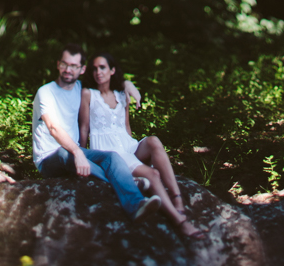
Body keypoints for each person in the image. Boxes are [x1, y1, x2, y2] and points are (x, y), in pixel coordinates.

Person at [31, 43, 160, 221]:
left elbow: (108, 81)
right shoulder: (45, 92)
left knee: (112, 157)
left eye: (74, 66)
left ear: (82, 69)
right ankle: (128, 183)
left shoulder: (81, 89)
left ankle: (136, 204)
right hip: (50, 158)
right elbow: (53, 128)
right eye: (64, 64)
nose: (68, 70)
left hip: (74, 152)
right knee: (64, 153)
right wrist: (77, 152)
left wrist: (127, 83)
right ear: (58, 64)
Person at [80, 52, 201, 238]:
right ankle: (180, 222)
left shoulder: (122, 95)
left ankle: (178, 200)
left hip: (127, 145)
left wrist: (135, 154)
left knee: (153, 141)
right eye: (94, 68)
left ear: (112, 70)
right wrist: (81, 155)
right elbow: (85, 127)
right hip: (110, 151)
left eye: (102, 67)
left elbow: (126, 126)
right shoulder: (89, 94)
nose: (98, 72)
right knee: (152, 174)